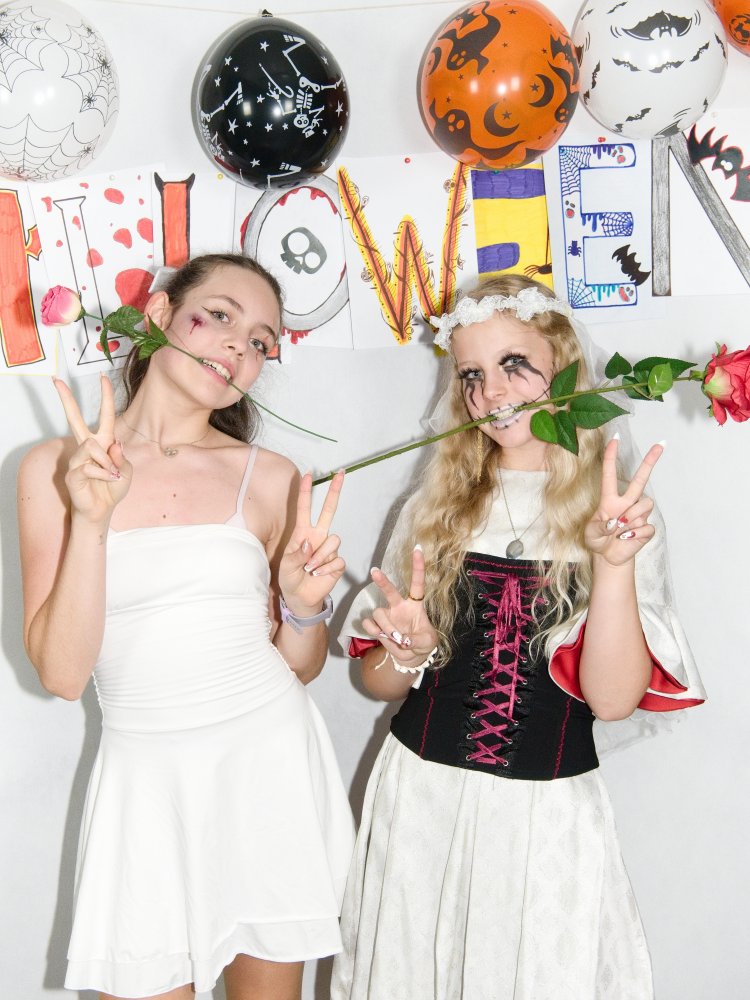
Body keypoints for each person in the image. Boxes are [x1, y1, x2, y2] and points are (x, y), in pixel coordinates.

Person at [330, 274, 705, 1000]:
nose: (491, 392)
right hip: (422, 799)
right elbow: (376, 682)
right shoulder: (435, 508)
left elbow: (613, 701)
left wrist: (611, 564)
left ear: (565, 369)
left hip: (546, 817)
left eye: (514, 364)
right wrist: (405, 653)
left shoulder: (618, 514)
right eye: (471, 374)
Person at [17, 253, 355, 1000]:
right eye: (221, 316)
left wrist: (303, 605)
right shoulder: (55, 468)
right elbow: (63, 675)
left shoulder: (270, 476)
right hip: (144, 784)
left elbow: (299, 664)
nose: (240, 346)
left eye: (261, 341)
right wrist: (91, 521)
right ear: (161, 314)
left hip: (267, 767)